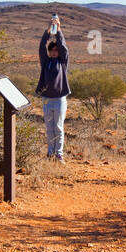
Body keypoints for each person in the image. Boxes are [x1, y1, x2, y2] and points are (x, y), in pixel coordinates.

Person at [36, 14, 70, 161]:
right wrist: (48, 31)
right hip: (46, 100)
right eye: (52, 50)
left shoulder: (62, 62)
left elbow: (64, 49)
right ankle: (50, 153)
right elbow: (41, 47)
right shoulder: (46, 62)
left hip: (60, 99)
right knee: (49, 128)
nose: (54, 52)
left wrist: (59, 31)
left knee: (59, 127)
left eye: (56, 50)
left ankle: (59, 154)